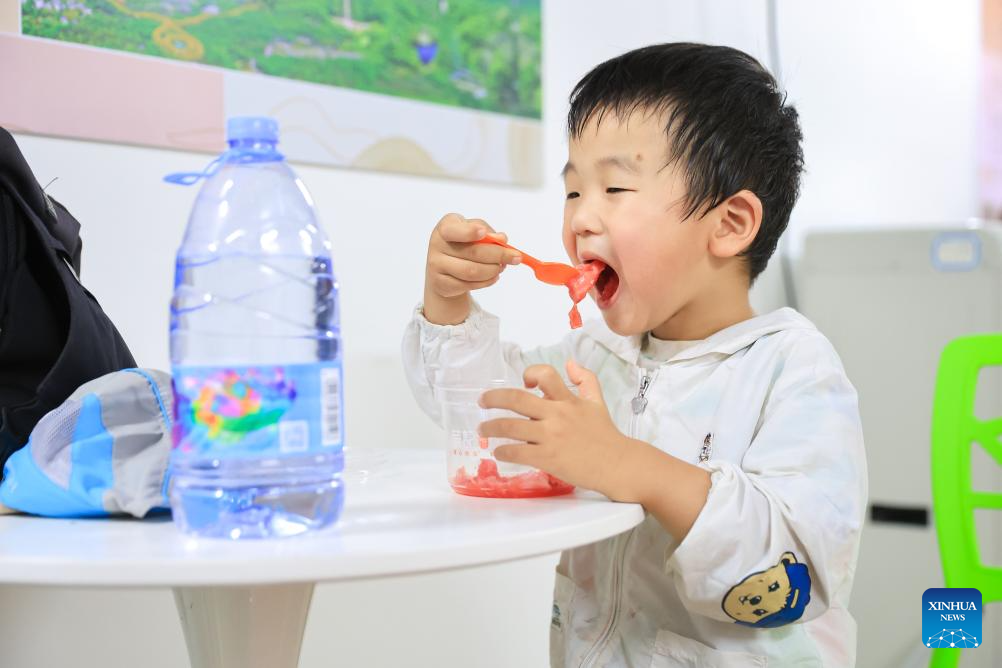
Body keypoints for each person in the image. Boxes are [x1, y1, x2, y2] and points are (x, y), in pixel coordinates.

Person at [403, 42, 867, 667]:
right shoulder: (591, 357)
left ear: (730, 224)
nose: (580, 219)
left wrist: (626, 464)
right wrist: (448, 301)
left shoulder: (791, 370)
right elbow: (483, 420)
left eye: (614, 187)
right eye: (573, 191)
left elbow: (792, 570)